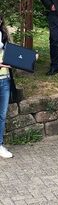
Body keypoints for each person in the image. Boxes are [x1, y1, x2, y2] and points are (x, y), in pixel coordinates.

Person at [0, 15, 13, 158]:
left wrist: (29, 58)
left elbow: (13, 56)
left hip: (4, 79)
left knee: (2, 116)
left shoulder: (3, 34)